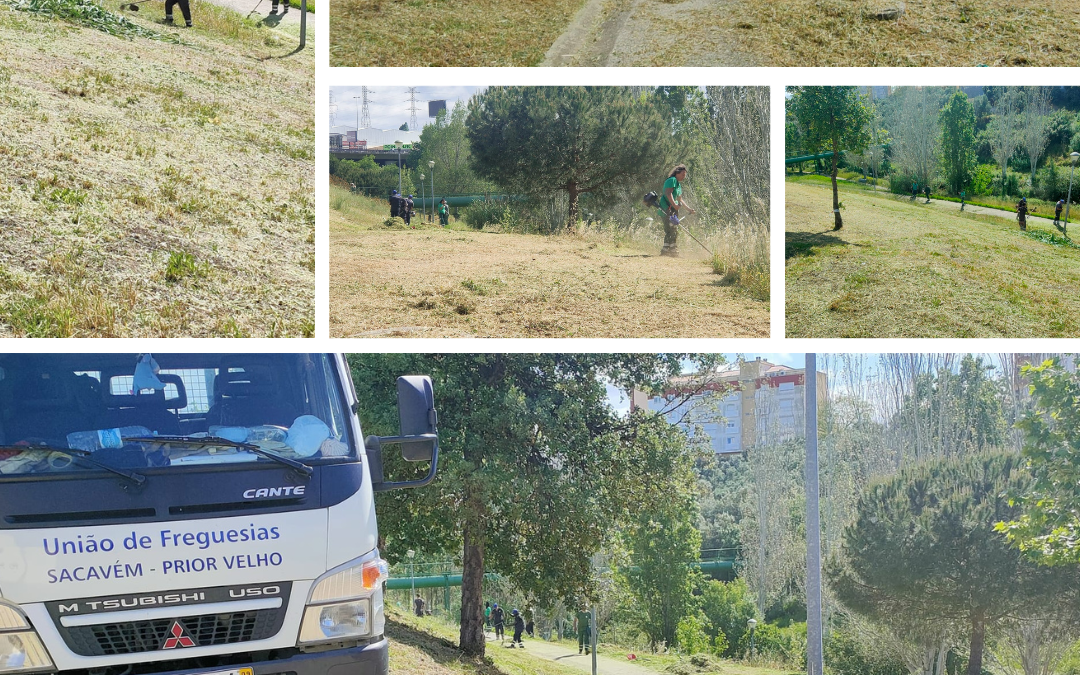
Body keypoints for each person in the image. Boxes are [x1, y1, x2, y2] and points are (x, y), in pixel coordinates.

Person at [657, 164, 695, 257]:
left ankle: (669, 250)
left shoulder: (678, 185)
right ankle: (668, 250)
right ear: (677, 173)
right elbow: (668, 193)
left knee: (673, 228)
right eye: (682, 174)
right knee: (670, 229)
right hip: (666, 208)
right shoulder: (672, 180)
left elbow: (680, 199)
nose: (683, 177)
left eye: (685, 175)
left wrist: (689, 209)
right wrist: (674, 205)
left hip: (673, 209)